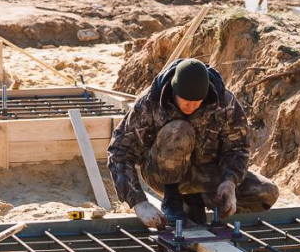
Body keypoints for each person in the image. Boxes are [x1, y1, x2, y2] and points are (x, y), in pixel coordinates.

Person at [107, 58, 279, 230]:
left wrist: (230, 181)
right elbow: (119, 152)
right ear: (174, 91)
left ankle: (194, 200)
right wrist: (138, 202)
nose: (192, 107)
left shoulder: (225, 103)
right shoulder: (150, 102)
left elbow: (238, 147)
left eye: (197, 102)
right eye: (186, 102)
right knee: (179, 131)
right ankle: (173, 199)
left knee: (267, 193)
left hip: (204, 174)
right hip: (160, 175)